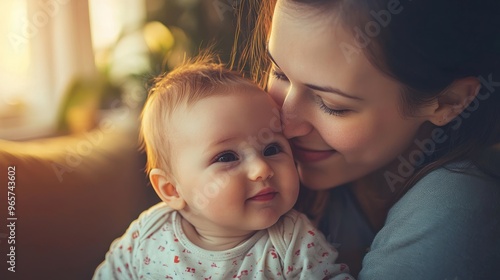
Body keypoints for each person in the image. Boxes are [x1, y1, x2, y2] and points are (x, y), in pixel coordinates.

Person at [233, 0, 500, 278]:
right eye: (279, 73)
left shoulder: (457, 202)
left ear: (447, 101)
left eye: (332, 105)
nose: (285, 124)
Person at [93, 56, 354, 279]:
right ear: (172, 189)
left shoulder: (291, 243)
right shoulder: (148, 235)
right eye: (227, 157)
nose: (261, 169)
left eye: (272, 149)